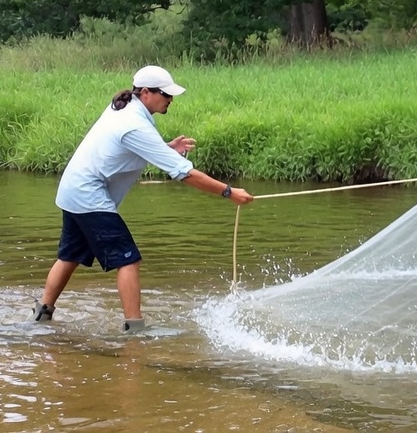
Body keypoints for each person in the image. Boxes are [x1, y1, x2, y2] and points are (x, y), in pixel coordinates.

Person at [32, 65, 255, 332]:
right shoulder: (134, 124)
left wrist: (166, 148)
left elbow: (128, 146)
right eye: (165, 94)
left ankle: (42, 315)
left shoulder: (124, 108)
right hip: (88, 193)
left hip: (73, 189)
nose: (170, 100)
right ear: (146, 92)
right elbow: (184, 173)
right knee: (128, 259)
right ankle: (135, 329)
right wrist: (229, 192)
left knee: (70, 255)